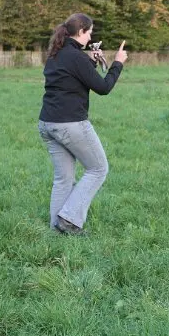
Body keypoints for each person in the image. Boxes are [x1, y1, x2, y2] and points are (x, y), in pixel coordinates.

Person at [38, 13, 128, 235]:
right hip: (70, 124)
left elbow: (74, 76)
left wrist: (91, 61)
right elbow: (103, 87)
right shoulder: (76, 57)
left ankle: (57, 229)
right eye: (89, 32)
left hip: (48, 123)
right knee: (98, 169)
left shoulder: (57, 54)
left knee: (63, 179)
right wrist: (117, 63)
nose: (90, 37)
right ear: (80, 32)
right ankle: (68, 220)